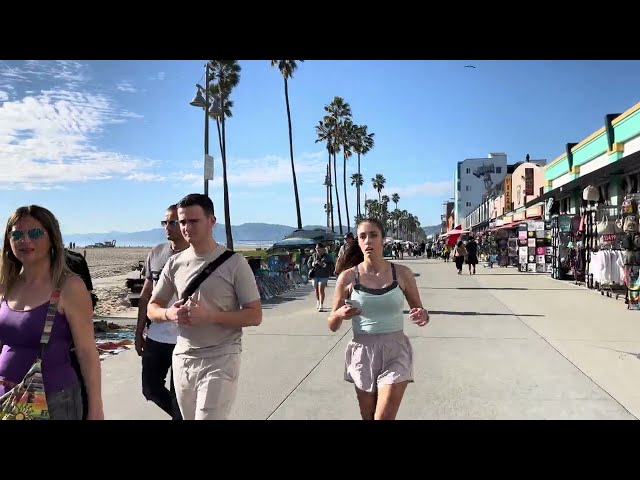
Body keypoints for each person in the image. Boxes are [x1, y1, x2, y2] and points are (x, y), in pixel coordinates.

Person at [147, 193, 262, 420]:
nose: (187, 227)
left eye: (194, 221)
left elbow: (254, 315)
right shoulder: (174, 263)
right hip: (183, 356)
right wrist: (169, 313)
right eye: (182, 222)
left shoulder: (235, 263)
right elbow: (153, 306)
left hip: (221, 355)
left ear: (211, 221)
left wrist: (209, 316)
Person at [0, 205, 103, 420]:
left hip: (53, 399)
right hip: (6, 397)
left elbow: (86, 352)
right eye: (17, 234)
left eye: (35, 233)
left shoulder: (68, 287)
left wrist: (95, 409)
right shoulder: (6, 285)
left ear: (52, 239)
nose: (24, 240)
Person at [327, 217, 429, 420]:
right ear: (357, 241)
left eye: (373, 235)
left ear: (383, 239)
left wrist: (422, 315)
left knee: (383, 417)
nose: (368, 241)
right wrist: (339, 314)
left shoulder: (402, 273)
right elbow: (332, 324)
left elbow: (420, 311)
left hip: (396, 350)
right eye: (362, 236)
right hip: (362, 352)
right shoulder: (348, 278)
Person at [135, 204, 189, 420]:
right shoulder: (156, 252)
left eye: (173, 222)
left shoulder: (197, 254)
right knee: (150, 389)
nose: (168, 226)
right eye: (165, 222)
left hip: (185, 338)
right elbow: (146, 296)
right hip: (156, 336)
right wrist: (138, 332)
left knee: (181, 395)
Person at [307, 243, 334, 312]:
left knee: (321, 289)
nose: (317, 250)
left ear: (323, 249)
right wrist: (312, 264)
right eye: (316, 248)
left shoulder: (327, 257)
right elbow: (308, 264)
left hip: (324, 275)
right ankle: (318, 301)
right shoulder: (314, 256)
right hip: (315, 275)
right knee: (316, 290)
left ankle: (321, 305)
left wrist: (323, 264)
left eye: (318, 248)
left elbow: (331, 266)